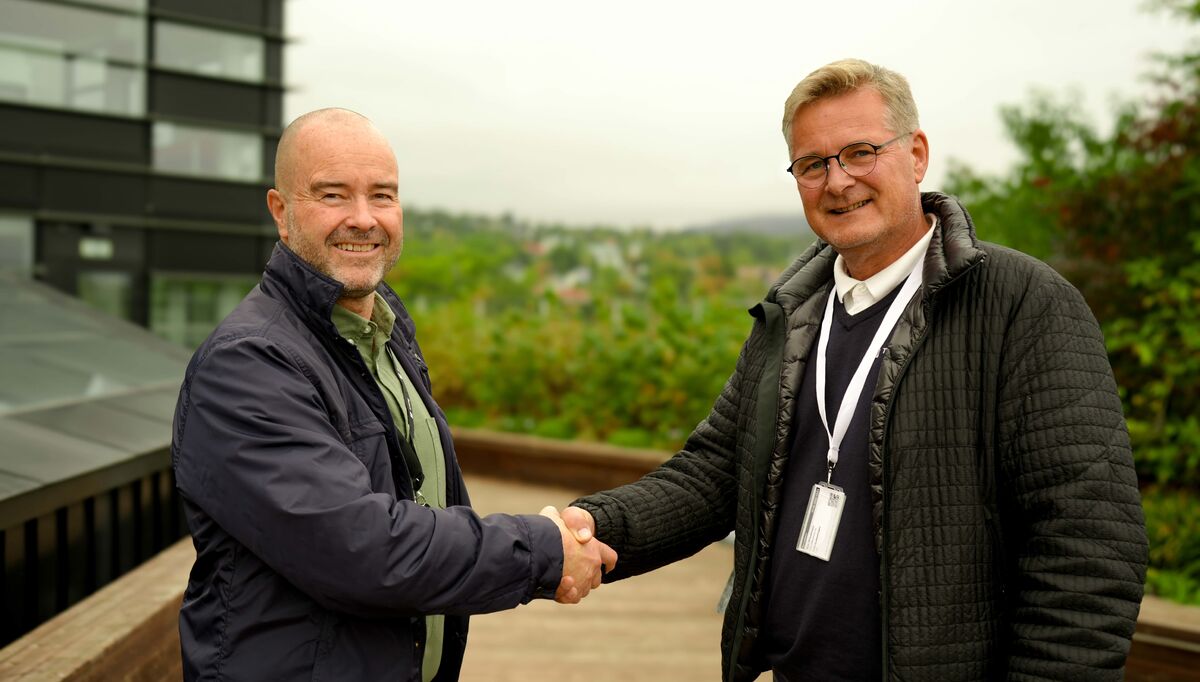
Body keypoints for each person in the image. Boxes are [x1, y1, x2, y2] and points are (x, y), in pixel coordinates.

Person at [558, 59, 1148, 681]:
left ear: (916, 155)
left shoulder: (1020, 304)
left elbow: (1089, 544)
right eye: (813, 164)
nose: (838, 181)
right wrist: (592, 525)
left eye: (861, 152)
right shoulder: (789, 314)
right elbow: (713, 475)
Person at [171, 108, 615, 682]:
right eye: (332, 195)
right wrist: (544, 550)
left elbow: (421, 508)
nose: (363, 218)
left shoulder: (383, 334)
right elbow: (360, 550)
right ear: (281, 213)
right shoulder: (248, 363)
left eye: (382, 196)